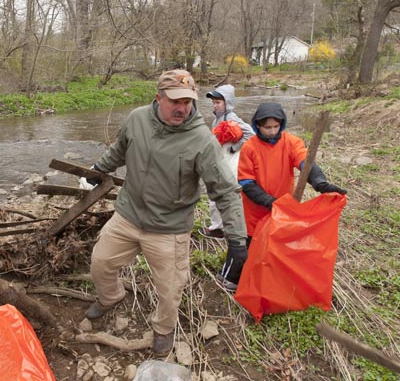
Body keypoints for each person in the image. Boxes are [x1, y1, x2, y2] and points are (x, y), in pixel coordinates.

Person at [83, 69, 248, 357]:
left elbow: (225, 190)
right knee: (100, 262)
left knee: (170, 289)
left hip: (169, 227)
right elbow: (119, 151)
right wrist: (98, 170)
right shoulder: (136, 119)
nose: (182, 108)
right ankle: (111, 297)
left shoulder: (202, 140)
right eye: (175, 101)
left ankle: (163, 328)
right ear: (158, 98)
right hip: (128, 215)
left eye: (187, 101)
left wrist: (237, 239)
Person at [238, 102, 347, 246]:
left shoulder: (291, 142)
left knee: (278, 249)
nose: (272, 131)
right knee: (254, 250)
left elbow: (305, 163)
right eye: (268, 127)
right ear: (257, 125)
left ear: (281, 124)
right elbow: (246, 183)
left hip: (283, 209)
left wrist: (319, 182)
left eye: (276, 127)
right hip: (255, 212)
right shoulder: (249, 148)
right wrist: (269, 201)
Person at [199, 85, 254, 239]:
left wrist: (234, 147)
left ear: (227, 102)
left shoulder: (231, 118)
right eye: (214, 102)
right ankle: (221, 226)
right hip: (219, 158)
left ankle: (220, 228)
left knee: (221, 192)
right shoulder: (217, 119)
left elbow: (250, 133)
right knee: (218, 192)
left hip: (228, 161)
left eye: (218, 102)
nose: (215, 105)